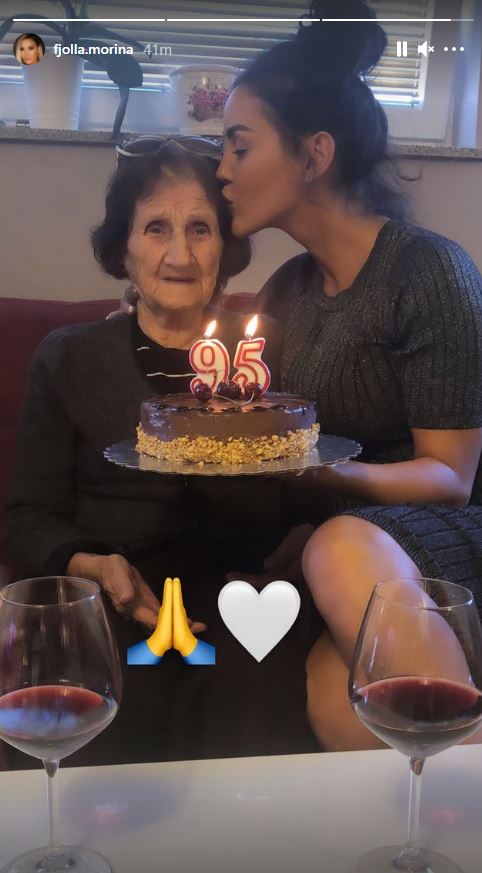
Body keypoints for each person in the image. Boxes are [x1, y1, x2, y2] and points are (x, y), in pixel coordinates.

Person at [214, 0, 482, 751]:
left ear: (314, 154)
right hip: (343, 552)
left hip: (443, 535)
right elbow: (252, 415)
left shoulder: (427, 272)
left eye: (239, 145)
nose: (223, 170)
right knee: (336, 702)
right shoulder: (287, 292)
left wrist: (321, 474)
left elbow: (451, 478)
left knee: (336, 545)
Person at [5, 139, 319, 766]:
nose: (179, 254)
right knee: (108, 715)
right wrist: (93, 565)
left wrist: (287, 557)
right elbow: (26, 515)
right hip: (112, 596)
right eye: (155, 228)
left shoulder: (268, 359)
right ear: (122, 247)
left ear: (226, 248)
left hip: (240, 598)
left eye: (200, 228)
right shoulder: (70, 358)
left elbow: (308, 492)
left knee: (252, 723)